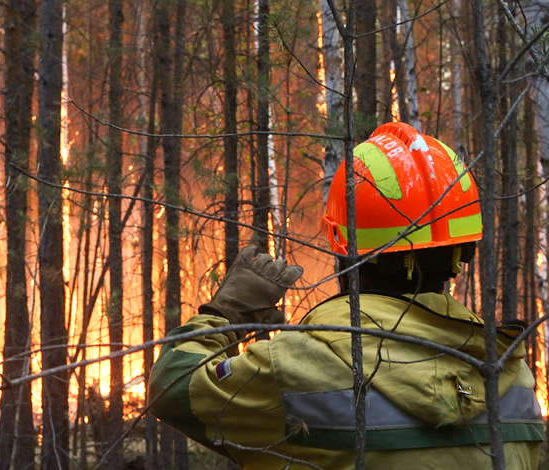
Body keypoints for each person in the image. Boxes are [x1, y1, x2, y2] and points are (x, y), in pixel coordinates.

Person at [147, 122, 544, 469]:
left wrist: (226, 312)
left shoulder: (297, 366)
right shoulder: (514, 378)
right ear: (462, 253)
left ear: (344, 253)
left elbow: (171, 388)